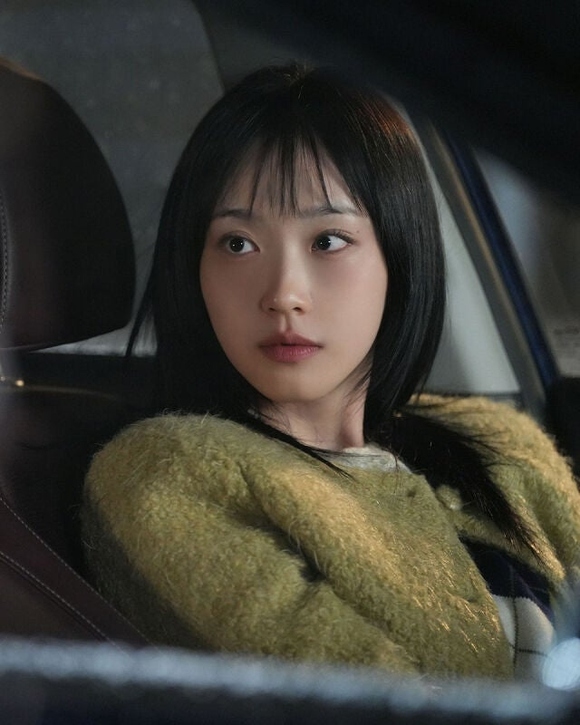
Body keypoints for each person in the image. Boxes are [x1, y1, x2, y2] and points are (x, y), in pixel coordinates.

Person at [81, 64, 580, 681]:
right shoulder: (166, 473)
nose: (284, 295)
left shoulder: (502, 443)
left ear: (400, 253)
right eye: (237, 243)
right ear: (193, 268)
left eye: (328, 241)